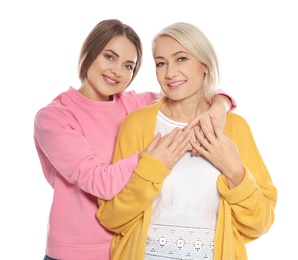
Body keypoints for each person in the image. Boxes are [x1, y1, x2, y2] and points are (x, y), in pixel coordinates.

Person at [34, 19, 236, 260]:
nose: (117, 71)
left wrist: (220, 105)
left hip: (129, 248)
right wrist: (149, 160)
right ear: (88, 52)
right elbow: (100, 181)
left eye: (129, 66)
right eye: (109, 57)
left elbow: (186, 91)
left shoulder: (133, 104)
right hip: (76, 252)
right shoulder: (54, 117)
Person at [97, 22, 278, 260]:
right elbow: (111, 218)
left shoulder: (235, 128)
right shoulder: (137, 124)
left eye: (181, 59)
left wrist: (235, 173)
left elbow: (260, 224)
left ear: (205, 64)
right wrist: (151, 171)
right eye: (161, 63)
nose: (169, 72)